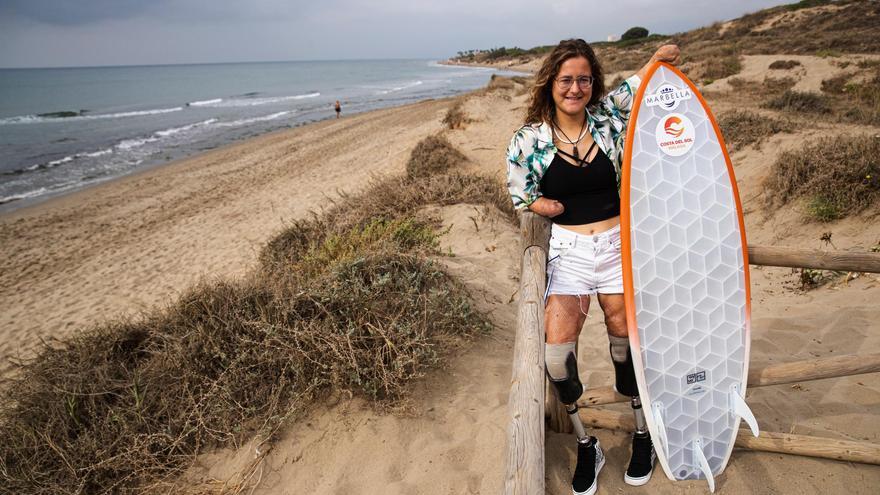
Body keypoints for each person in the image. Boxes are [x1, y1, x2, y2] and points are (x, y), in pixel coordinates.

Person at [506, 39, 680, 495]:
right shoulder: (529, 138)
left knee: (626, 341)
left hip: (619, 245)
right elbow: (518, 190)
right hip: (568, 251)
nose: (575, 88)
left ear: (592, 83)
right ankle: (588, 444)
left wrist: (658, 58)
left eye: (584, 79)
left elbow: (638, 84)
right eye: (567, 79)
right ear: (551, 83)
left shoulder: (606, 118)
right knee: (556, 356)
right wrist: (537, 201)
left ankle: (642, 432)